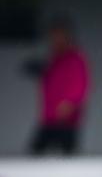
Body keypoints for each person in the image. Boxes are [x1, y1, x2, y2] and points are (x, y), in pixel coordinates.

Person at [27, 15, 91, 155]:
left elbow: (82, 85)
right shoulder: (52, 59)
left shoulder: (76, 59)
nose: (56, 40)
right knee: (34, 154)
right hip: (48, 118)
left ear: (68, 36)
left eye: (60, 35)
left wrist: (71, 103)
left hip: (67, 120)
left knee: (68, 157)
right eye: (53, 36)